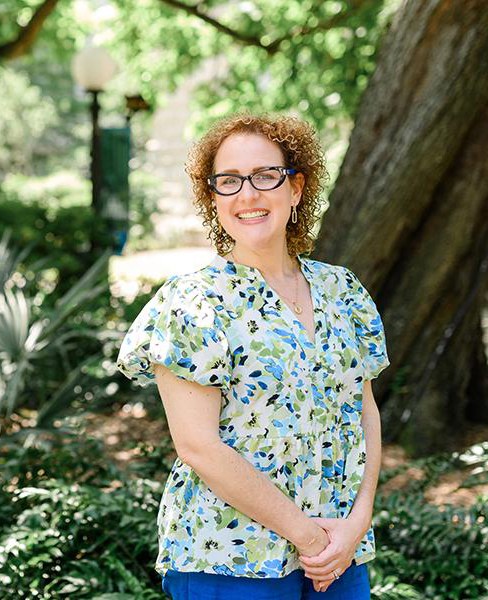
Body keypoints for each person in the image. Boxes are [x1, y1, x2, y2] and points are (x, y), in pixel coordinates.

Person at [116, 113, 390, 599]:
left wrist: (357, 521)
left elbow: (364, 410)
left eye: (266, 176)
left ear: (297, 188)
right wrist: (307, 537)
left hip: (340, 549)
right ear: (213, 198)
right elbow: (198, 446)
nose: (248, 195)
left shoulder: (343, 290)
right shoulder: (193, 303)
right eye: (229, 181)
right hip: (229, 559)